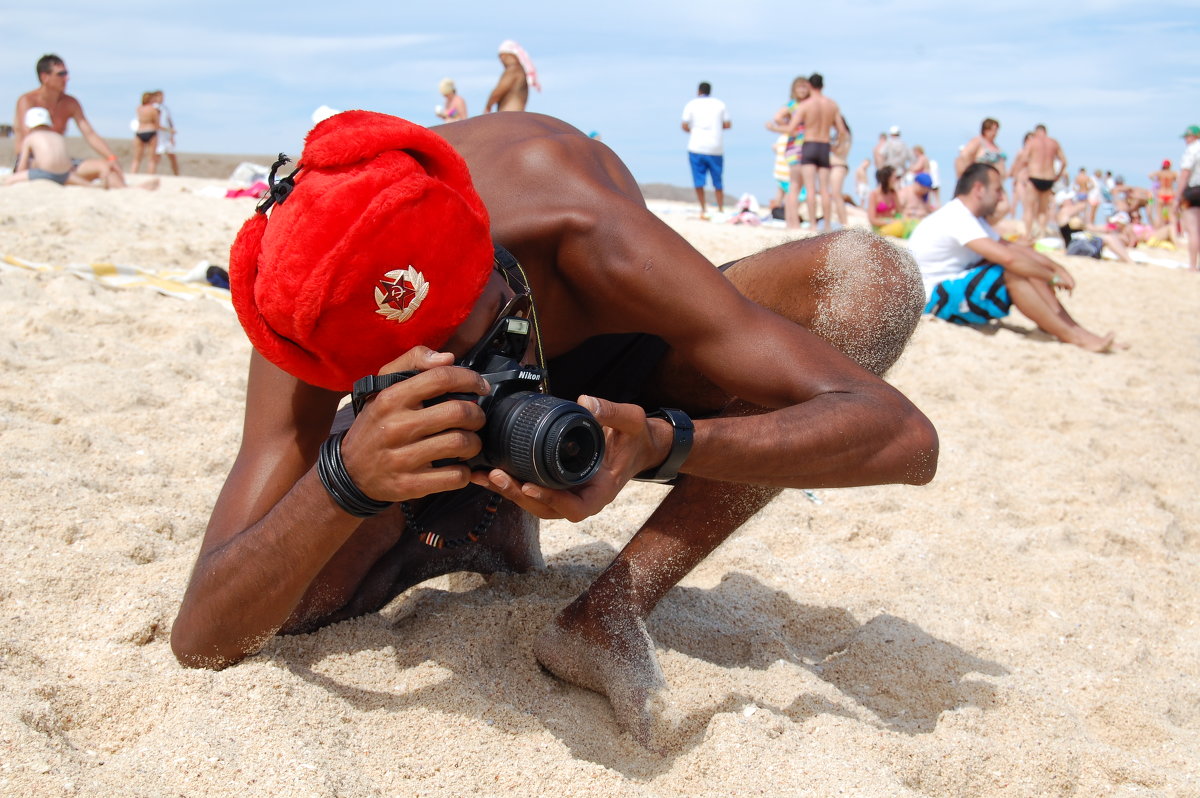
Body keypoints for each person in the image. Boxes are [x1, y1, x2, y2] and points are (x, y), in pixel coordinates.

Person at [169, 110, 938, 750]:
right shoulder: (313, 300)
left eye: (480, 339)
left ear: (492, 258)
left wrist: (666, 441)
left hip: (615, 354)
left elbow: (904, 439)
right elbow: (204, 632)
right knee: (301, 602)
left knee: (872, 281)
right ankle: (470, 526)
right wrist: (346, 480)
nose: (472, 376)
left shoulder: (578, 225)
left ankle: (609, 612)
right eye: (426, 370)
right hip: (399, 402)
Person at [909, 162, 1120, 352]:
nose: (1002, 196)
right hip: (932, 300)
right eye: (998, 190)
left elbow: (1013, 248)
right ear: (979, 189)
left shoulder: (973, 219)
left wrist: (1056, 268)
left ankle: (1078, 331)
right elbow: (1009, 259)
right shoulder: (957, 216)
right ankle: (1073, 335)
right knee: (1014, 270)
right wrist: (1051, 277)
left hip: (950, 290)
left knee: (1023, 265)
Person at [12, 54, 126, 184]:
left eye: (66, 74)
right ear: (45, 77)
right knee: (51, 165)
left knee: (106, 167)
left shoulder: (70, 103)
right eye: (61, 74)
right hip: (30, 161)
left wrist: (111, 157)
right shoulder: (28, 100)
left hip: (60, 163)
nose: (67, 78)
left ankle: (128, 192)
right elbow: (28, 137)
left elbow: (90, 134)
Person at [5, 106, 155, 190]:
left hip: (44, 174)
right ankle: (119, 188)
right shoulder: (57, 136)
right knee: (89, 187)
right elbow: (65, 161)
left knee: (10, 181)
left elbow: (22, 166)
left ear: (28, 125)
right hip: (65, 174)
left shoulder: (30, 138)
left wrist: (20, 176)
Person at [784, 73, 846, 231]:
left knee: (811, 188)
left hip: (809, 144)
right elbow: (842, 130)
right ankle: (826, 224)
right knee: (825, 189)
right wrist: (835, 145)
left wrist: (776, 127)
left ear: (810, 86)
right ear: (823, 86)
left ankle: (812, 224)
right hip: (824, 145)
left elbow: (791, 128)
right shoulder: (832, 105)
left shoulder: (805, 105)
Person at [681, 81, 731, 219]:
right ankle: (720, 208)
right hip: (716, 146)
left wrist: (696, 130)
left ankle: (703, 208)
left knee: (698, 180)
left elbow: (684, 125)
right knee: (718, 180)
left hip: (696, 146)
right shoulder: (720, 104)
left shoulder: (691, 104)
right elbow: (727, 124)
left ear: (698, 91)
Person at [1016, 124, 1067, 239]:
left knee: (1029, 208)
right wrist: (1057, 176)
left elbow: (1023, 159)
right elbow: (1064, 161)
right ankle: (1042, 234)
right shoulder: (1054, 143)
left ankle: (1028, 234)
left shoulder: (1032, 142)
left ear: (1036, 132)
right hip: (1049, 178)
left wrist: (1025, 171)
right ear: (1045, 132)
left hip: (1035, 176)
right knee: (1043, 209)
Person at [485, 40, 539, 112]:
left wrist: (488, 106)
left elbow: (499, 91)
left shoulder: (514, 70)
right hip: (517, 116)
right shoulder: (521, 71)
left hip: (509, 115)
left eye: (502, 56)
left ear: (509, 55)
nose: (501, 60)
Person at [1174, 125, 1200, 270]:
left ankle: (1192, 265)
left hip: (1194, 190)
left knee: (1193, 230)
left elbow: (1185, 174)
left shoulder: (1192, 150)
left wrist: (1177, 197)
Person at [867, 165, 916, 238]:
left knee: (913, 222)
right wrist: (890, 221)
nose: (897, 180)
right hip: (880, 227)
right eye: (895, 177)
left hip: (893, 223)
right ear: (887, 179)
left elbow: (900, 212)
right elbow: (872, 219)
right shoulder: (874, 194)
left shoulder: (893, 193)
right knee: (900, 225)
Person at [131, 91, 172, 174]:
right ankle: (150, 175)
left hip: (139, 132)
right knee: (151, 158)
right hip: (151, 131)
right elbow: (157, 125)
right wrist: (169, 130)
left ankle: (133, 173)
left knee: (137, 158)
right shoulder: (153, 110)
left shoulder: (139, 108)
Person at [828, 115, 852, 228]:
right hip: (837, 165)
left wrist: (828, 145)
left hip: (839, 165)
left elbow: (840, 151)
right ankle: (842, 221)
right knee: (835, 195)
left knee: (837, 195)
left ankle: (844, 222)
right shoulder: (841, 135)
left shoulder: (844, 135)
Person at [155, 90, 180, 175]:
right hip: (159, 135)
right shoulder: (154, 108)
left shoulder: (165, 109)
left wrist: (172, 135)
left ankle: (176, 174)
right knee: (157, 156)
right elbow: (156, 124)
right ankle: (152, 173)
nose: (162, 98)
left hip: (166, 136)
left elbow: (170, 121)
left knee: (172, 155)